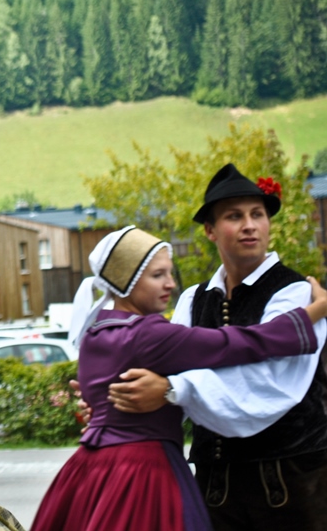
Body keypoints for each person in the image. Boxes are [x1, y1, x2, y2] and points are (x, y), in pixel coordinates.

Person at [29, 225, 327, 531]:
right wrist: (317, 309)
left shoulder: (94, 333)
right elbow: (246, 342)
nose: (170, 283)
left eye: (169, 273)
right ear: (127, 281)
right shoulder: (150, 335)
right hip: (142, 471)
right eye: (158, 275)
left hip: (90, 470)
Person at [104, 164, 327, 529]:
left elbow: (266, 382)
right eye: (234, 216)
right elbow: (162, 369)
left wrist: (172, 388)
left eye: (257, 214)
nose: (249, 225)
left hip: (291, 482)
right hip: (215, 484)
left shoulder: (298, 294)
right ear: (210, 230)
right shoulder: (194, 299)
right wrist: (111, 396)